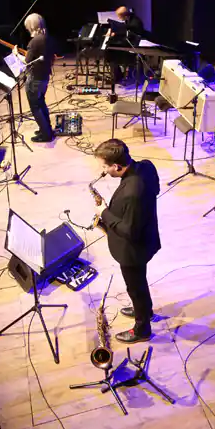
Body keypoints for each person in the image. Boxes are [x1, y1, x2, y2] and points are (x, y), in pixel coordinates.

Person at [94, 139, 160, 343]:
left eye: (104, 167)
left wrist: (104, 213)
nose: (103, 171)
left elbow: (129, 231)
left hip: (133, 250)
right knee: (139, 284)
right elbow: (155, 190)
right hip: (147, 237)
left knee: (135, 288)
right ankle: (146, 310)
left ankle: (142, 329)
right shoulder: (146, 166)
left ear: (116, 166)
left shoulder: (132, 192)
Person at [13, 13, 54, 143]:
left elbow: (26, 62)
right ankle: (46, 129)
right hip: (45, 76)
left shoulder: (34, 42)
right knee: (41, 103)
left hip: (35, 79)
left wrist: (16, 54)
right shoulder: (47, 38)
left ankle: (46, 135)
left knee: (35, 107)